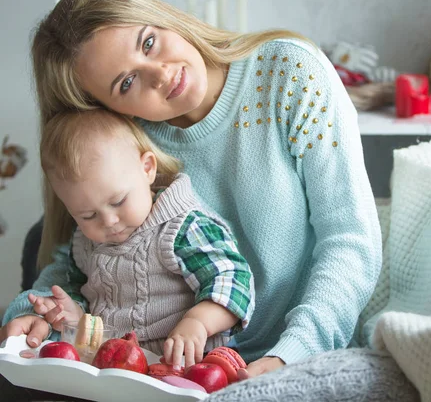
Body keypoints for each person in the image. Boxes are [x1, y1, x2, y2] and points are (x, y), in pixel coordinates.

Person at [0, 0, 383, 378]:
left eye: (149, 42)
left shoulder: (290, 73)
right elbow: (79, 262)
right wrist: (35, 313)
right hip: (174, 371)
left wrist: (291, 355)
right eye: (127, 82)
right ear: (107, 110)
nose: (162, 74)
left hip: (296, 352)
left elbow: (349, 240)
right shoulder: (125, 140)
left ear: (162, 16)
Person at [6, 108, 254, 369]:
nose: (109, 221)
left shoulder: (182, 227)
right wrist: (73, 314)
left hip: (186, 365)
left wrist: (199, 323)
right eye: (88, 215)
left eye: (118, 201)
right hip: (114, 368)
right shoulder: (84, 243)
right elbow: (80, 293)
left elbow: (234, 279)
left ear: (147, 169)